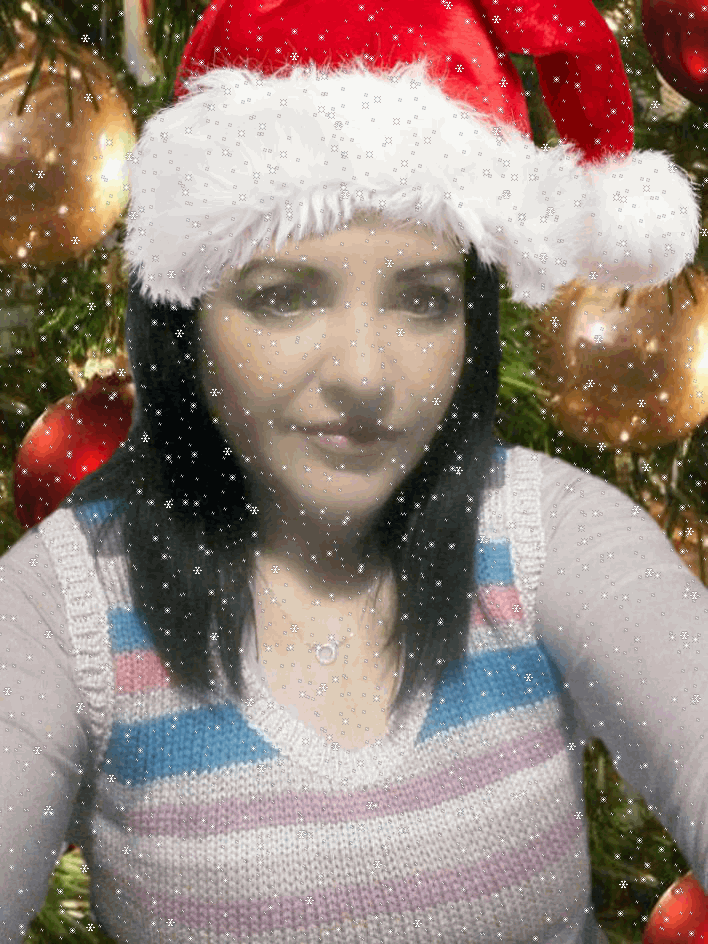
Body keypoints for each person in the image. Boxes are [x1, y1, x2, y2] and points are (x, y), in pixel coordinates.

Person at [0, 0, 706, 941]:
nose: (366, 377)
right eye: (285, 298)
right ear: (185, 318)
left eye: (423, 301)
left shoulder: (555, 535)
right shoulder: (62, 608)